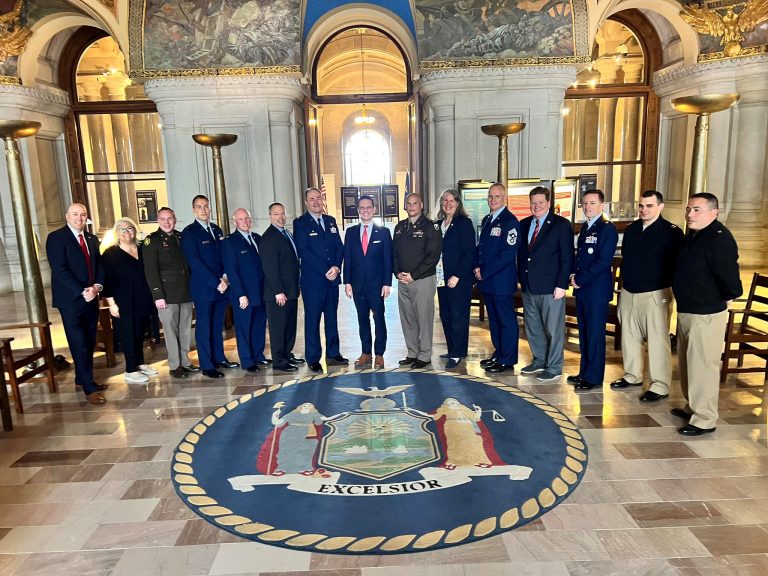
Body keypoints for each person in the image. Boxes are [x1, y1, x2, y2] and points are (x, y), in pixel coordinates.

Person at [672, 193, 742, 436]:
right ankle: (693, 406)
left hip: (706, 312)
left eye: (697, 210)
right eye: (689, 209)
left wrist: (728, 295)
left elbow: (729, 275)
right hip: (688, 309)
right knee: (688, 363)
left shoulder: (719, 238)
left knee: (703, 365)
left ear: (714, 212)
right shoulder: (694, 235)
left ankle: (704, 418)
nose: (690, 214)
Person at [611, 190, 683, 402]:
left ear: (660, 207)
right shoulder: (632, 229)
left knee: (657, 339)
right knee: (629, 335)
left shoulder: (672, 232)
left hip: (655, 292)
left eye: (649, 206)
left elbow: (677, 264)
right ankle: (632, 375)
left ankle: (660, 385)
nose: (644, 210)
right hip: (629, 291)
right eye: (641, 205)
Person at [46, 203, 107, 405]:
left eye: (82, 215)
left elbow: (99, 266)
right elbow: (60, 270)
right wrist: (82, 291)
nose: (79, 218)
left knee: (89, 340)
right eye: (75, 214)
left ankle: (82, 378)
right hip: (71, 300)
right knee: (78, 341)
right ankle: (89, 388)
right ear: (67, 217)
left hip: (91, 297)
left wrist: (96, 287)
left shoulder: (91, 239)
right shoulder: (56, 238)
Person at [518, 186, 573, 381]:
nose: (537, 206)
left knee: (553, 329)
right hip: (528, 286)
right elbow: (523, 255)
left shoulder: (561, 225)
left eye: (541, 202)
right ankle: (539, 360)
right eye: (533, 202)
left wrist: (562, 284)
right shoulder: (524, 224)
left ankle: (555, 366)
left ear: (549, 203)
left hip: (551, 287)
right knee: (533, 327)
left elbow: (567, 257)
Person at [181, 195, 239, 379]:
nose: (204, 210)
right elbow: (195, 263)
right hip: (204, 288)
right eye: (199, 207)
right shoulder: (189, 233)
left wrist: (225, 278)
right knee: (204, 327)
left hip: (222, 287)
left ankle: (219, 358)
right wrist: (216, 282)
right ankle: (207, 365)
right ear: (194, 210)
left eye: (206, 206)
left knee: (217, 326)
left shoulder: (216, 229)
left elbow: (224, 256)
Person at [568, 189, 619, 392]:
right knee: (585, 334)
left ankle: (594, 377)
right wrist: (573, 275)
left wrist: (579, 279)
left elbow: (602, 262)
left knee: (595, 335)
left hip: (596, 292)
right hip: (583, 290)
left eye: (592, 203)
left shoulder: (607, 229)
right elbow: (580, 257)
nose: (587, 207)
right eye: (585, 203)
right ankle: (584, 372)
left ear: (601, 205)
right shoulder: (586, 227)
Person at [293, 187, 347, 373]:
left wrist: (337, 267)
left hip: (332, 281)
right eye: (312, 199)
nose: (316, 202)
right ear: (306, 202)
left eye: (318, 198)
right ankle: (313, 357)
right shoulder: (300, 223)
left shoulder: (330, 221)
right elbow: (304, 252)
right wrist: (326, 270)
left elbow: (340, 247)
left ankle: (333, 353)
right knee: (313, 321)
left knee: (332, 319)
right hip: (313, 282)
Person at [143, 207, 198, 379]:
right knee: (170, 331)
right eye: (163, 219)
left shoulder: (181, 237)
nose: (167, 222)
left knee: (185, 329)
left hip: (185, 291)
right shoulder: (152, 241)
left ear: (175, 219)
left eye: (170, 219)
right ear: (158, 221)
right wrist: (157, 295)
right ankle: (175, 365)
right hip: (167, 294)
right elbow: (150, 271)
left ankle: (185, 361)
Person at [102, 218, 157, 384]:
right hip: (122, 301)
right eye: (122, 229)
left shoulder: (142, 248)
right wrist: (112, 304)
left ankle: (139, 363)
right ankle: (130, 370)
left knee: (140, 332)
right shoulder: (110, 254)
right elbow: (107, 281)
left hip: (143, 298)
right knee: (128, 334)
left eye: (130, 228)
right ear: (116, 233)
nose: (127, 232)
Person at [474, 183, 520, 374]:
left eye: (497, 196)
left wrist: (484, 271)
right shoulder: (487, 219)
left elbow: (507, 254)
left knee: (506, 321)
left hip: (501, 282)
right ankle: (499, 353)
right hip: (487, 282)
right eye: (490, 196)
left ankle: (507, 359)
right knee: (494, 320)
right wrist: (476, 266)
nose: (493, 200)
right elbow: (481, 247)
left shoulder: (510, 221)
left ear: (505, 198)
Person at [342, 195, 393, 369]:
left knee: (379, 319)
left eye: (368, 207)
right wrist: (347, 282)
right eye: (362, 207)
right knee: (362, 319)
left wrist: (387, 283)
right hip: (357, 285)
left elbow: (388, 259)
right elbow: (347, 258)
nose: (365, 210)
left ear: (374, 209)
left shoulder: (383, 232)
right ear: (358, 210)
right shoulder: (350, 232)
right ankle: (366, 353)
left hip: (377, 286)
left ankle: (379, 354)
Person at [393, 192, 442, 368]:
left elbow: (433, 256)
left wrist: (413, 275)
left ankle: (425, 355)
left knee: (424, 319)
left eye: (415, 203)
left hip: (422, 280)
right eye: (409, 203)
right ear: (405, 206)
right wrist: (397, 273)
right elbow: (394, 253)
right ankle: (412, 352)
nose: (412, 206)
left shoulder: (431, 227)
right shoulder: (400, 227)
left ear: (421, 206)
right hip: (403, 281)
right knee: (408, 319)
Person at [222, 208, 270, 374]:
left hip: (261, 292)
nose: (245, 221)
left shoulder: (257, 238)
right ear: (235, 222)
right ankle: (247, 361)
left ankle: (258, 356)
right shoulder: (230, 242)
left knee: (258, 326)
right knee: (244, 329)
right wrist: (241, 294)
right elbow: (232, 271)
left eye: (247, 218)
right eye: (241, 219)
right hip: (243, 295)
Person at [435, 189, 476, 369]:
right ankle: (453, 349)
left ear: (458, 203)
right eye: (445, 200)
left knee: (458, 316)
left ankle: (457, 353)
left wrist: (457, 276)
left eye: (452, 200)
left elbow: (469, 253)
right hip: (441, 278)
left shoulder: (464, 223)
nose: (448, 204)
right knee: (446, 315)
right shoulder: (438, 224)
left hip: (459, 279)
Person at [260, 202, 304, 372]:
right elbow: (270, 268)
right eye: (276, 214)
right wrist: (278, 291)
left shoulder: (286, 233)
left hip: (290, 290)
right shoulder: (268, 238)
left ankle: (287, 354)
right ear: (270, 216)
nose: (281, 217)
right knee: (278, 328)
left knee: (289, 326)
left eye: (283, 213)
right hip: (278, 293)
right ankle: (279, 361)